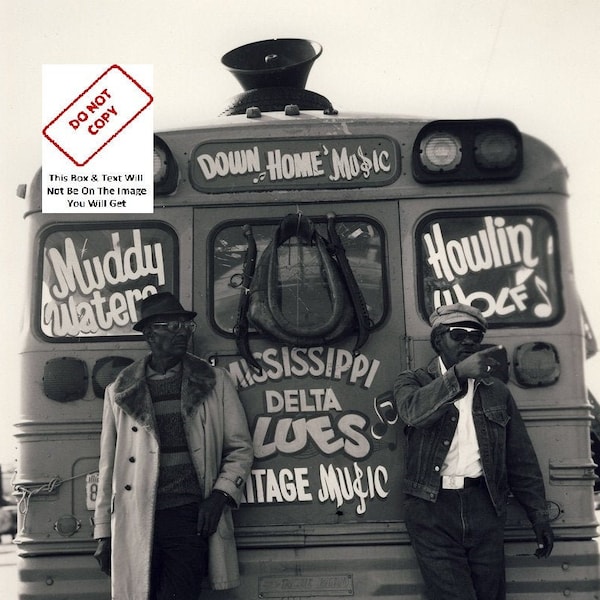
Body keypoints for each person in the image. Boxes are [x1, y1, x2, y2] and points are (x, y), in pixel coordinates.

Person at [93, 292, 254, 600]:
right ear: (150, 334)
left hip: (188, 515)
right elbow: (108, 467)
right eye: (171, 325)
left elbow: (240, 448)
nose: (182, 332)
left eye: (185, 325)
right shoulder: (120, 391)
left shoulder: (214, 381)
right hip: (137, 516)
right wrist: (103, 531)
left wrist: (220, 496)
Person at [393, 303, 554, 600]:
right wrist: (457, 376)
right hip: (432, 509)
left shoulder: (496, 391)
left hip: (485, 506)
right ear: (438, 340)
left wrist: (538, 516)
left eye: (475, 335)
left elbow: (520, 460)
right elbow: (413, 413)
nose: (468, 340)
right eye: (458, 333)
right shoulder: (413, 381)